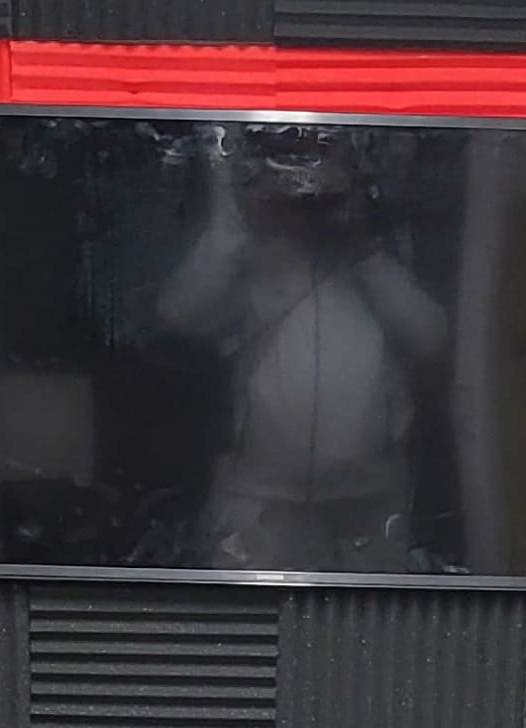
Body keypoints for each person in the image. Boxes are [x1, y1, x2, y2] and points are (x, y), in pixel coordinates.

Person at [152, 130, 448, 573]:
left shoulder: (388, 251)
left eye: (323, 190)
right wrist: (235, 231)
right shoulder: (245, 259)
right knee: (245, 628)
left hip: (371, 497)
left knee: (370, 631)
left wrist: (365, 250)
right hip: (260, 497)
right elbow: (179, 315)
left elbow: (432, 340)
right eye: (295, 188)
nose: (309, 206)